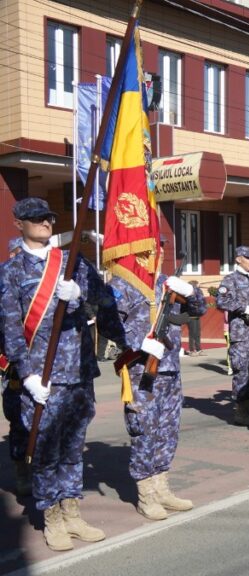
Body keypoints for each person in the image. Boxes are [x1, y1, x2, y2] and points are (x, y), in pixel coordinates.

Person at [1, 198, 125, 551]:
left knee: (73, 448)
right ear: (19, 224)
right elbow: (10, 328)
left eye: (49, 217)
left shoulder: (72, 262)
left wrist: (81, 291)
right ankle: (51, 517)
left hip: (79, 371)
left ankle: (72, 512)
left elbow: (103, 298)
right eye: (36, 218)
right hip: (43, 378)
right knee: (44, 451)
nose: (45, 222)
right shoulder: (10, 272)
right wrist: (25, 376)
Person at [111, 248, 206, 521]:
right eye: (152, 247)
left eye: (161, 247)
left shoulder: (167, 282)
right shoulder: (124, 282)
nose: (158, 252)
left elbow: (197, 311)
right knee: (144, 431)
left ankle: (162, 486)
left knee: (168, 431)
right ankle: (146, 494)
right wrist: (136, 341)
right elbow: (109, 323)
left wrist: (190, 292)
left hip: (171, 370)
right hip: (142, 369)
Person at [215, 246, 249, 426]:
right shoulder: (230, 280)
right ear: (238, 259)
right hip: (241, 332)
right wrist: (242, 307)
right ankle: (240, 411)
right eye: (248, 257)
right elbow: (221, 301)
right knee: (242, 371)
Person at [1, 237, 31, 497]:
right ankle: (23, 473)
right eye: (19, 254)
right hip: (14, 365)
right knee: (19, 421)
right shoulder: (5, 281)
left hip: (42, 363)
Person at [185, 280, 204, 356]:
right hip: (190, 315)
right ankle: (192, 350)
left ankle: (199, 349)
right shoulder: (189, 294)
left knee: (198, 333)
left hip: (197, 315)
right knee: (192, 333)